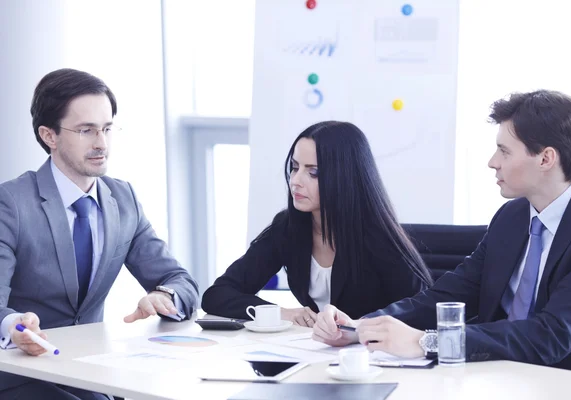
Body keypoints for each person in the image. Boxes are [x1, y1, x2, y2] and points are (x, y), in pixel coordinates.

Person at [312, 90, 571, 374]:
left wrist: (428, 342)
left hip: (567, 384)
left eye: (504, 151)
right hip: (494, 377)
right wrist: (360, 326)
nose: (493, 162)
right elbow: (449, 294)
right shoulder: (510, 217)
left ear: (546, 159)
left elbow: (552, 335)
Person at [0, 68, 199, 399]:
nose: (101, 143)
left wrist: (165, 296)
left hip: (93, 375)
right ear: (49, 135)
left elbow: (180, 280)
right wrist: (14, 326)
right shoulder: (12, 203)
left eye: (107, 128)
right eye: (86, 130)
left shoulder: (123, 200)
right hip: (24, 376)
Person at [202, 121, 433, 326]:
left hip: (369, 360)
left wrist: (357, 326)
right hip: (313, 354)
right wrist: (281, 313)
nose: (296, 181)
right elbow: (218, 295)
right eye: (295, 167)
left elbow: (423, 310)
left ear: (343, 178)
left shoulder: (378, 237)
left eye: (313, 173)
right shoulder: (288, 227)